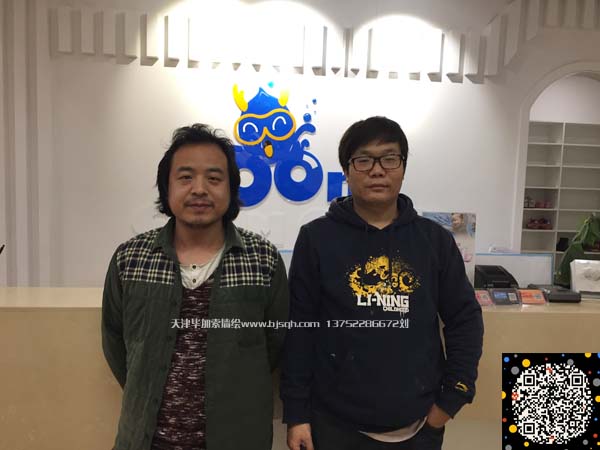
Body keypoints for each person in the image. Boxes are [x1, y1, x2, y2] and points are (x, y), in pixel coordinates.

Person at [281, 116, 484, 450]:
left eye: (389, 159)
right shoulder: (316, 238)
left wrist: (450, 401)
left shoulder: (434, 240)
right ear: (346, 171)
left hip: (419, 425)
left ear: (403, 167)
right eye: (363, 160)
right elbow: (300, 330)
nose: (377, 170)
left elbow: (465, 319)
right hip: (332, 425)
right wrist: (297, 413)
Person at [102, 124, 289, 450]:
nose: (199, 189)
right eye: (186, 177)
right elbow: (116, 343)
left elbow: (274, 344)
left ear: (231, 188)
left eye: (214, 179)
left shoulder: (263, 260)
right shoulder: (130, 258)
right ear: (166, 187)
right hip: (146, 441)